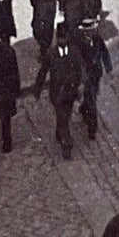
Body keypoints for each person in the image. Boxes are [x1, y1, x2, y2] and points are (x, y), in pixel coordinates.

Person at [45, 25, 83, 160]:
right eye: (60, 38)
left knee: (64, 117)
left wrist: (82, 84)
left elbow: (81, 67)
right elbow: (43, 71)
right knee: (63, 117)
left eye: (64, 38)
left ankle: (59, 132)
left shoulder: (74, 51)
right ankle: (67, 145)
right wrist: (37, 89)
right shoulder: (51, 53)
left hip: (70, 92)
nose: (62, 41)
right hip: (57, 93)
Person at [75, 15, 113, 141]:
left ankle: (84, 108)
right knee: (92, 101)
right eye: (89, 30)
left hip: (96, 74)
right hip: (85, 77)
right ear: (85, 31)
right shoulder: (79, 43)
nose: (92, 32)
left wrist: (108, 69)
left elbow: (104, 53)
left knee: (91, 97)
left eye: (93, 29)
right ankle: (92, 129)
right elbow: (77, 61)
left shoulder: (97, 39)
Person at [29, 0, 62, 95]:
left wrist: (34, 3)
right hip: (50, 7)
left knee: (37, 27)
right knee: (48, 27)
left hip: (40, 7)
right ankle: (46, 47)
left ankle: (44, 50)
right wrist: (60, 7)